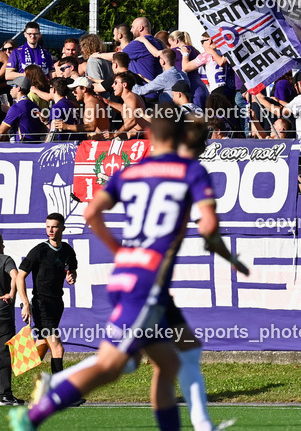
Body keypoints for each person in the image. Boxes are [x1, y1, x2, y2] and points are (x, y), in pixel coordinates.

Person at [8, 116, 244, 431]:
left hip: (128, 278)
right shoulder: (191, 172)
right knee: (112, 366)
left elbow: (91, 211)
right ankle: (36, 412)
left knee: (173, 359)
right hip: (147, 285)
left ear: (148, 135)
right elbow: (209, 225)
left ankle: (200, 423)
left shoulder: (131, 172)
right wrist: (226, 255)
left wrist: (120, 250)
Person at [14, 214, 77, 381]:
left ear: (62, 228)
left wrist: (72, 277)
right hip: (41, 305)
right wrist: (25, 304)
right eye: (48, 226)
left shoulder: (67, 251)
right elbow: (20, 276)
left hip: (57, 304)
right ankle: (58, 391)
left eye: (54, 226)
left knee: (41, 345)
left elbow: (72, 270)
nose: (50, 230)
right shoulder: (39, 251)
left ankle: (9, 368)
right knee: (57, 348)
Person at [253, 72, 301, 139]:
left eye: (295, 87)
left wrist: (261, 100)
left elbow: (279, 111)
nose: (296, 91)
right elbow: (293, 106)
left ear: (299, 84)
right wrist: (279, 101)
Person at [0, 233, 23, 406]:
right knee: (4, 353)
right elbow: (16, 276)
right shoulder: (5, 260)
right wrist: (12, 294)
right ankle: (5, 394)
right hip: (3, 313)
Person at [0, 77, 47, 143]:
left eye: (12, 86)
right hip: (35, 146)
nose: (11, 89)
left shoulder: (16, 108)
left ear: (18, 88)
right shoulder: (35, 106)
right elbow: (43, 130)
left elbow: (1, 131)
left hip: (22, 147)